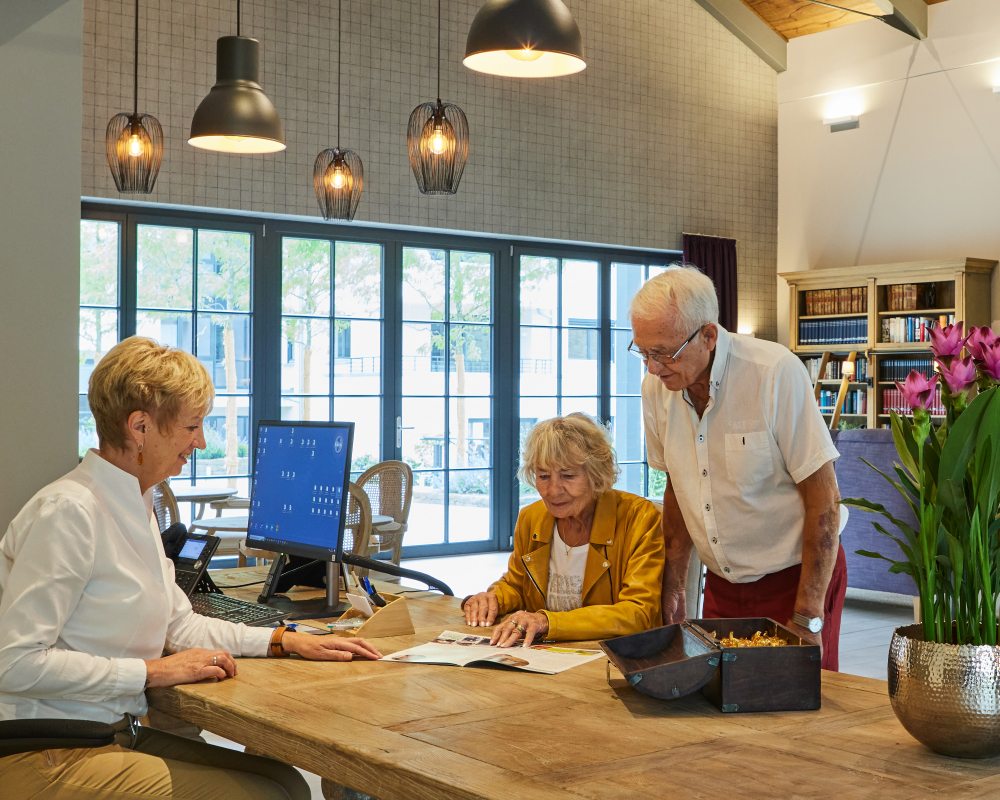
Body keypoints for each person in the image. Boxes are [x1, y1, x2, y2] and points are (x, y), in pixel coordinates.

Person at [0, 337, 382, 800]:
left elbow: (179, 624)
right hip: (41, 751)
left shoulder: (133, 501)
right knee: (272, 797)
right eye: (191, 427)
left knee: (286, 781)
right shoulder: (68, 511)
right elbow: (14, 664)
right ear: (139, 426)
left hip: (103, 732)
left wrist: (283, 640)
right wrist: (152, 673)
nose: (200, 442)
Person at [629, 266, 846, 670]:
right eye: (643, 352)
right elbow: (676, 489)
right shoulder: (655, 389)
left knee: (790, 706)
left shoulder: (774, 373)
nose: (652, 368)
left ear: (708, 336)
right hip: (722, 584)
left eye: (664, 353)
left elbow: (825, 501)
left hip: (794, 577)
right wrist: (674, 591)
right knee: (719, 702)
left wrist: (807, 614)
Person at [463, 413, 663, 647]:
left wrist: (548, 622)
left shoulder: (639, 518)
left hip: (615, 656)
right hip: (546, 654)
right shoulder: (531, 517)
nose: (553, 490)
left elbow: (637, 613)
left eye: (568, 476)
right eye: (543, 476)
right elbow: (517, 586)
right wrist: (492, 599)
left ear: (597, 474)